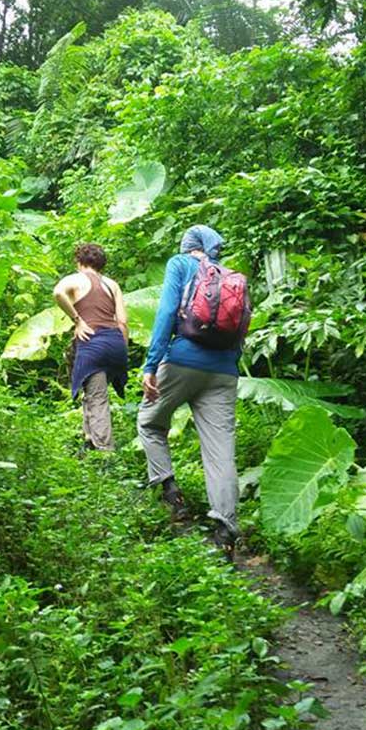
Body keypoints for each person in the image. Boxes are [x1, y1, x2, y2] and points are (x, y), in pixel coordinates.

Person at [137, 225, 242, 557]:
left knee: (150, 421)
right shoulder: (231, 276)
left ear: (188, 247)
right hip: (224, 370)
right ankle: (226, 530)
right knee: (220, 451)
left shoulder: (180, 264)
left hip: (183, 361)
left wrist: (151, 364)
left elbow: (168, 312)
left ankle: (170, 490)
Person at [54, 243, 129, 452]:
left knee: (97, 398)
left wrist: (77, 320)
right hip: (115, 342)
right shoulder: (111, 284)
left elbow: (58, 293)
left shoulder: (75, 279)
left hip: (93, 342)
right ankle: (89, 442)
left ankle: (105, 453)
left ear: (79, 262)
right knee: (92, 391)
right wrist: (122, 350)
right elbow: (122, 320)